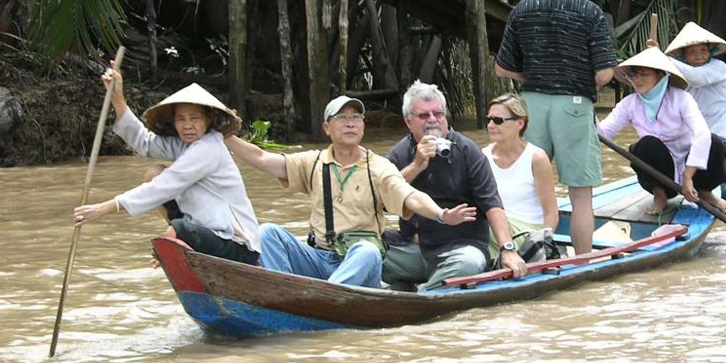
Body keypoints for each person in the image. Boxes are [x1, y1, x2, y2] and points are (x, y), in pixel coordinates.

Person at [224, 95, 476, 288]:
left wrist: (442, 214)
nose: (350, 124)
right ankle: (283, 293)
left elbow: (411, 196)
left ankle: (325, 299)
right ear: (326, 128)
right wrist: (225, 135)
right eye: (342, 118)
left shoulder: (377, 166)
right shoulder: (312, 162)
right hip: (320, 258)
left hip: (358, 263)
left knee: (367, 250)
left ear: (363, 127)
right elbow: (261, 158)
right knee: (268, 232)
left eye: (356, 118)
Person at [495, 0, 618, 254]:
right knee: (580, 195)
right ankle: (583, 263)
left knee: (530, 186)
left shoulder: (523, 8)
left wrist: (533, 78)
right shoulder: (591, 13)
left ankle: (524, 253)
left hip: (529, 106)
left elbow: (502, 67)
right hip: (574, 107)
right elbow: (605, 74)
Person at [73, 66, 260, 266]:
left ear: (208, 119)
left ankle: (177, 242)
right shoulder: (185, 145)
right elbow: (144, 142)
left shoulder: (209, 148)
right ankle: (178, 243)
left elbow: (164, 186)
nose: (187, 125)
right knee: (154, 173)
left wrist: (104, 208)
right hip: (207, 230)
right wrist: (118, 98)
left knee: (177, 229)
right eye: (181, 119)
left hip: (236, 244)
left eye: (195, 118)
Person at [384, 81, 528, 290]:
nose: (433, 120)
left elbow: (492, 204)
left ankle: (419, 296)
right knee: (366, 253)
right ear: (408, 121)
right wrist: (416, 165)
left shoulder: (467, 150)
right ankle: (407, 288)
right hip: (414, 250)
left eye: (438, 114)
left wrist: (507, 250)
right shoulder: (400, 153)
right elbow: (380, 200)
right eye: (424, 116)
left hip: (460, 250)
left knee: (468, 264)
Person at [597, 47, 726, 215]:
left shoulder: (681, 98)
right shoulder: (629, 104)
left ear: (660, 75)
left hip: (693, 170)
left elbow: (701, 134)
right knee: (646, 144)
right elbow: (603, 133)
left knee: (715, 142)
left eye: (644, 74)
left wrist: (688, 177)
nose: (637, 80)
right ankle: (659, 196)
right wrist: (588, 110)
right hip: (660, 173)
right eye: (634, 75)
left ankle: (704, 191)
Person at [483, 93, 560, 258]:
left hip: (526, 232)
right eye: (488, 119)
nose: (490, 125)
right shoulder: (483, 157)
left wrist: (542, 244)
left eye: (497, 120)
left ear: (519, 123)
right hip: (495, 228)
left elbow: (551, 212)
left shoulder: (536, 158)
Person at [664, 22, 726, 148]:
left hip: (722, 142)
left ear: (710, 51)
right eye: (692, 52)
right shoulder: (681, 77)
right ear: (684, 56)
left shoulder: (718, 67)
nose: (699, 56)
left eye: (703, 50)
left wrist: (663, 58)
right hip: (695, 142)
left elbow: (697, 77)